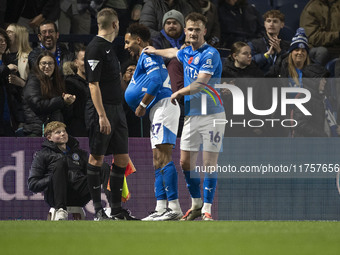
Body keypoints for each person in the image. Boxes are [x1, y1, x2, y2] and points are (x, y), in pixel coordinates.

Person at [145, 12, 226, 221]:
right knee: (184, 162)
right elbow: (173, 52)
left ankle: (207, 208)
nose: (193, 33)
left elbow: (200, 83)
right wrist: (155, 50)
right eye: (190, 29)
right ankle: (196, 203)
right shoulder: (185, 52)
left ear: (204, 31)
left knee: (209, 162)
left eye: (197, 29)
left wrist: (179, 92)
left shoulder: (211, 54)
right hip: (192, 116)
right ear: (186, 31)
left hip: (213, 115)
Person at [124, 23, 182, 220]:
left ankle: (174, 208)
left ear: (138, 40)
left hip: (164, 107)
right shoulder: (144, 57)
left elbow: (156, 80)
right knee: (157, 161)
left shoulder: (148, 55)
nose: (125, 46)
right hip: (157, 111)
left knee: (164, 157)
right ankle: (160, 208)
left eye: (127, 41)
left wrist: (141, 104)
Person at [85, 8, 137, 220]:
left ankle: (116, 210)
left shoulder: (108, 48)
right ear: (115, 24)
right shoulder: (95, 48)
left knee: (122, 159)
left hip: (116, 110)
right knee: (96, 159)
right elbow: (92, 84)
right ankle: (98, 210)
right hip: (102, 110)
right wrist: (102, 115)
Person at [27, 121, 111, 220]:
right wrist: (54, 178)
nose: (63, 134)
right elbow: (33, 184)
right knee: (60, 163)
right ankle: (60, 209)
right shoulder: (42, 155)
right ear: (49, 137)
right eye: (58, 132)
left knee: (102, 167)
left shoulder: (80, 153)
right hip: (56, 196)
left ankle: (105, 210)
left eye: (64, 131)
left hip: (78, 195)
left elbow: (91, 176)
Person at [22, 51, 76, 137]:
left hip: (56, 132)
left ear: (55, 66)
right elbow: (38, 105)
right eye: (43, 63)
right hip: (37, 131)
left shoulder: (57, 82)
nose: (47, 66)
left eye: (50, 63)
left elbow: (66, 115)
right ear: (38, 65)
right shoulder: (33, 81)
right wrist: (61, 100)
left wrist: (68, 104)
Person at [221, 41, 266, 137]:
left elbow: (262, 101)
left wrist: (259, 125)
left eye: (250, 53)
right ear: (235, 56)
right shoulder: (224, 74)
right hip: (228, 123)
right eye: (245, 53)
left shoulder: (257, 74)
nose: (249, 56)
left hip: (250, 124)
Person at [292, 65, 338, 137]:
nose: (325, 81)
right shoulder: (303, 98)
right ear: (314, 81)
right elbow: (299, 123)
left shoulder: (322, 97)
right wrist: (322, 135)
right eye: (322, 79)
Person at [248, 10, 290, 75]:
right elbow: (248, 62)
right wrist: (266, 55)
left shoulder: (288, 46)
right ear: (264, 24)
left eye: (275, 21)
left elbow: (291, 66)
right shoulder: (254, 44)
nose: (271, 24)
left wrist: (280, 51)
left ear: (282, 25)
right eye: (268, 21)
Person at [300, 0, 340, 65]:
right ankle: (316, 73)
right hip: (318, 47)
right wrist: (337, 35)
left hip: (337, 47)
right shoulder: (312, 8)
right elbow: (312, 37)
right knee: (322, 52)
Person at [63, 45, 89, 137]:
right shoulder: (69, 83)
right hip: (77, 132)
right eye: (83, 59)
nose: (87, 63)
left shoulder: (99, 83)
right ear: (76, 63)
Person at [121, 60, 150, 137]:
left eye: (136, 71)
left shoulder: (146, 90)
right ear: (123, 76)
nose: (133, 73)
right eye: (130, 71)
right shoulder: (120, 92)